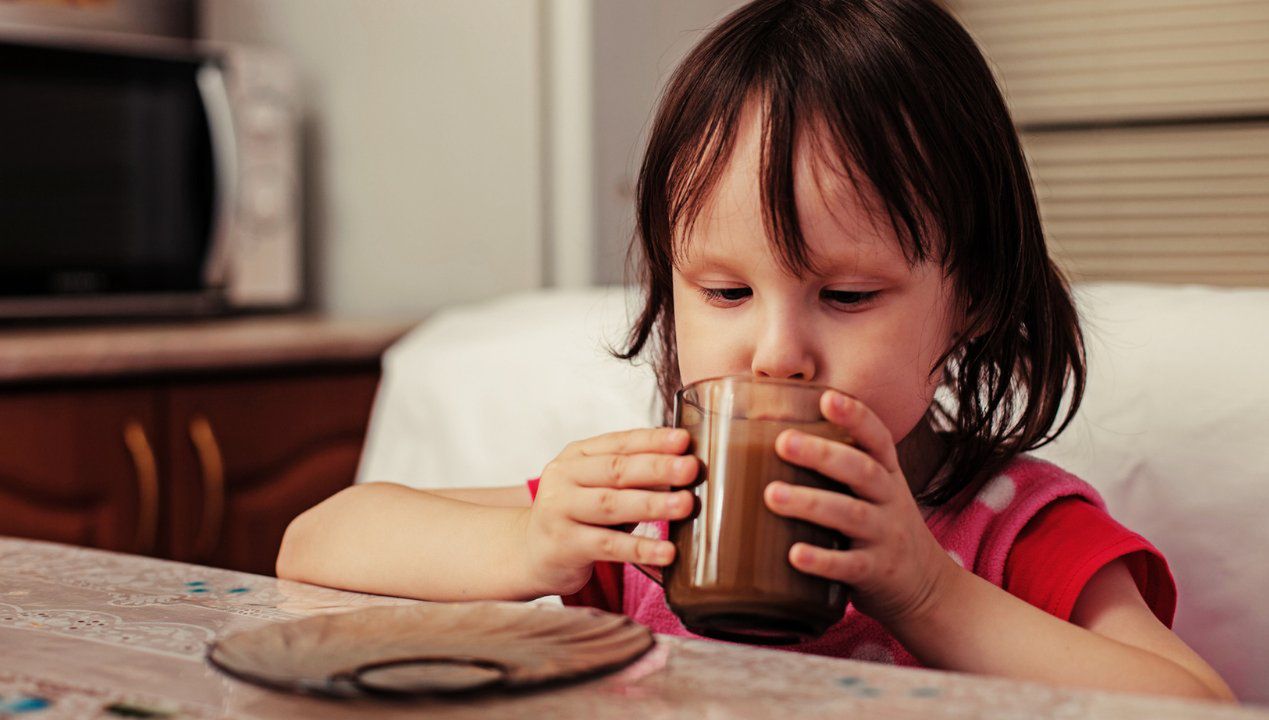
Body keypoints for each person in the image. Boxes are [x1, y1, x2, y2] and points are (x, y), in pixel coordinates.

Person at [277, 0, 1234, 701]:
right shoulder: (656, 509)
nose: (775, 353)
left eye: (847, 296)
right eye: (726, 292)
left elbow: (1190, 704)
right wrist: (534, 542)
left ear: (972, 298)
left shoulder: (1009, 531)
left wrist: (927, 591)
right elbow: (319, 542)